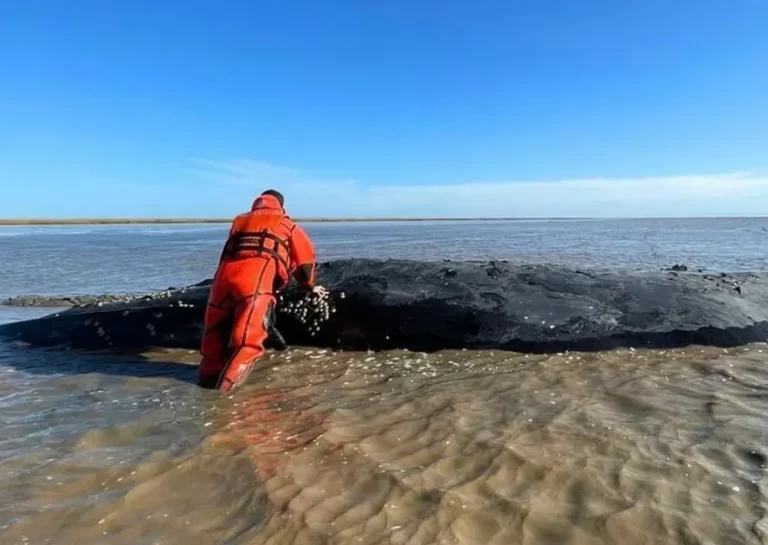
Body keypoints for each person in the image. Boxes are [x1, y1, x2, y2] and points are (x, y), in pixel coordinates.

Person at [197, 189, 327, 391]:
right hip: (255, 280)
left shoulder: (239, 220)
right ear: (281, 206)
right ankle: (223, 401)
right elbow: (305, 261)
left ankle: (203, 385)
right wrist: (309, 286)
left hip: (222, 280)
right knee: (248, 341)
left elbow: (229, 250)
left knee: (214, 339)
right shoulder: (285, 223)